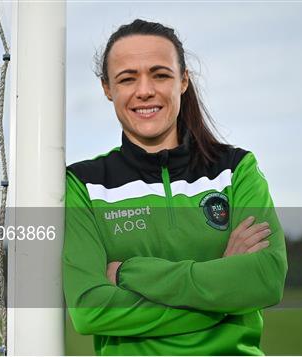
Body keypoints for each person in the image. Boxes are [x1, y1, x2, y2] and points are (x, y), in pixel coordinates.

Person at [63, 19, 288, 355]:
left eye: (160, 74)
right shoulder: (84, 184)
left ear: (183, 81)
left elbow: (264, 280)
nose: (144, 91)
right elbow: (90, 311)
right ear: (107, 88)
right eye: (127, 78)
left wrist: (130, 271)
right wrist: (222, 295)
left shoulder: (236, 169)